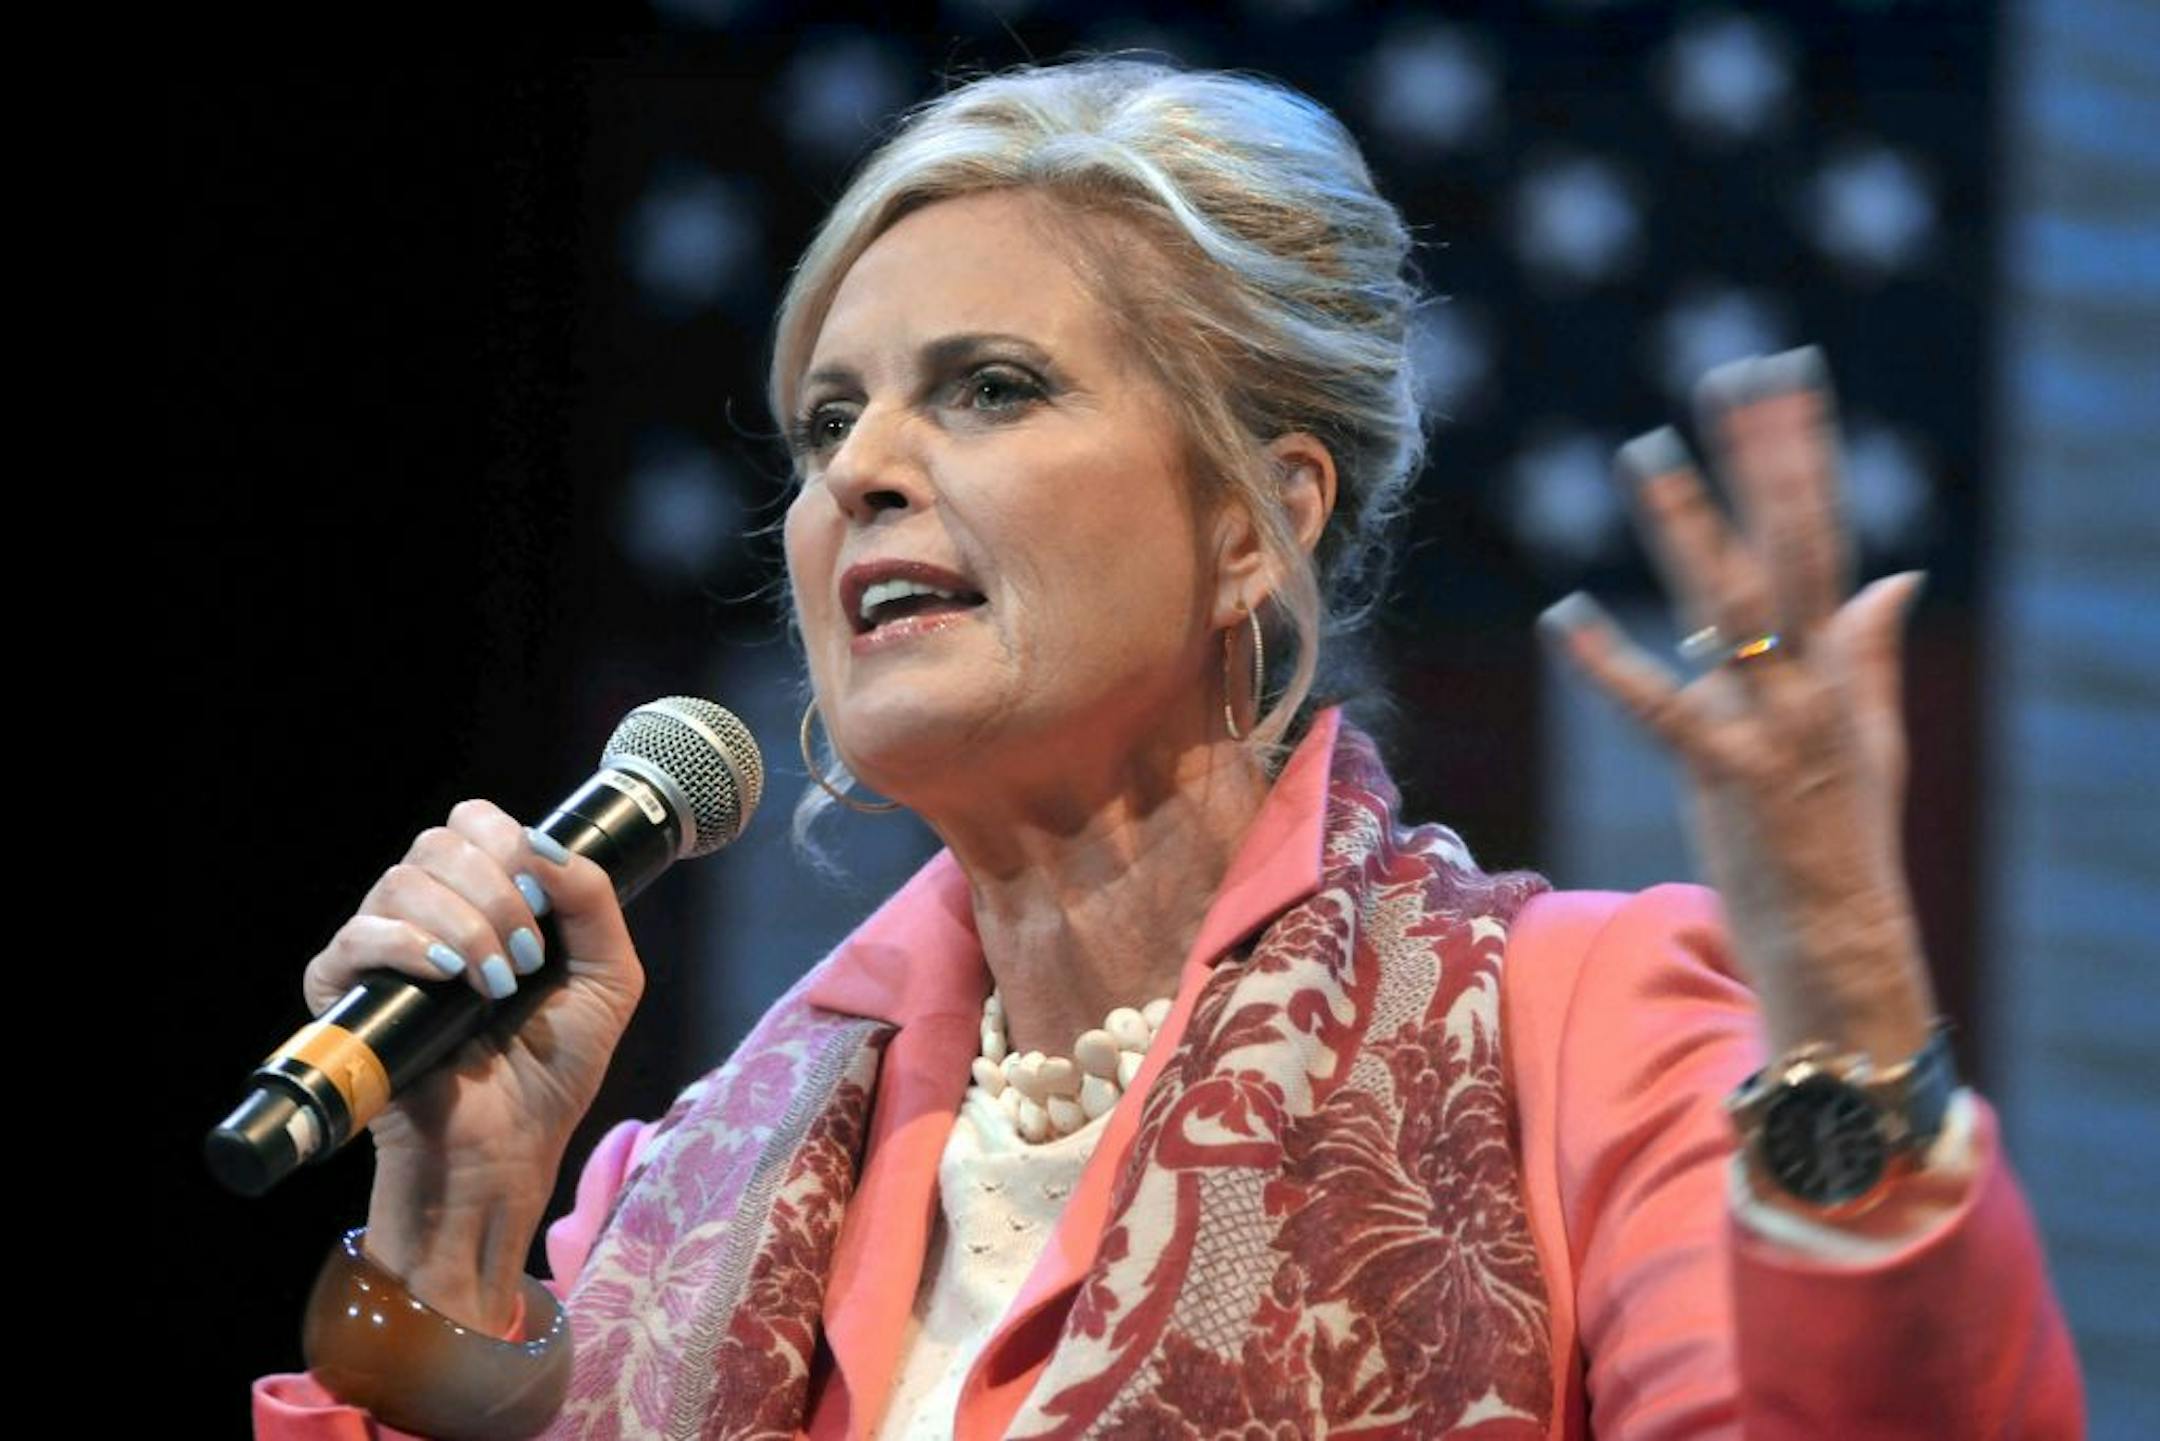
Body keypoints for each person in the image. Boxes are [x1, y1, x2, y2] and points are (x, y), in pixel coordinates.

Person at [255, 59, 2082, 1439]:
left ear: (1250, 524)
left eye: (990, 387)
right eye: (828, 420)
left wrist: (1844, 991)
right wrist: (454, 1230)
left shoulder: (1580, 1036)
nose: (858, 472)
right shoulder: (670, 1194)